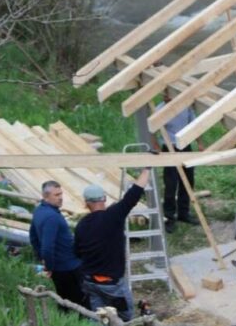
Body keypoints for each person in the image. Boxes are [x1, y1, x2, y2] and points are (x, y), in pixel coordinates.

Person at [74, 168, 150, 322]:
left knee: (99, 318)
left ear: (86, 203)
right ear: (104, 199)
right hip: (111, 285)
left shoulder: (81, 225)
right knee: (126, 318)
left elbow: (77, 252)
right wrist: (147, 169)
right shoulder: (113, 216)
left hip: (90, 283)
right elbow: (133, 194)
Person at [152, 88, 204, 233]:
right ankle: (169, 216)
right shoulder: (160, 109)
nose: (165, 96)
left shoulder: (184, 107)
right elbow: (152, 130)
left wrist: (200, 143)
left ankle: (183, 213)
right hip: (169, 148)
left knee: (187, 181)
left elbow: (195, 125)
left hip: (185, 146)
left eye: (168, 94)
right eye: (164, 94)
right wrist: (156, 146)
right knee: (171, 184)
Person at [29, 181, 85, 307]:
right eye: (56, 195)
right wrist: (49, 267)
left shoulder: (39, 211)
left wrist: (41, 259)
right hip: (68, 267)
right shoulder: (52, 218)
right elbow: (47, 247)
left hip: (61, 267)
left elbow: (33, 237)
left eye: (61, 194)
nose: (60, 198)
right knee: (78, 303)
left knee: (64, 298)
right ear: (46, 196)